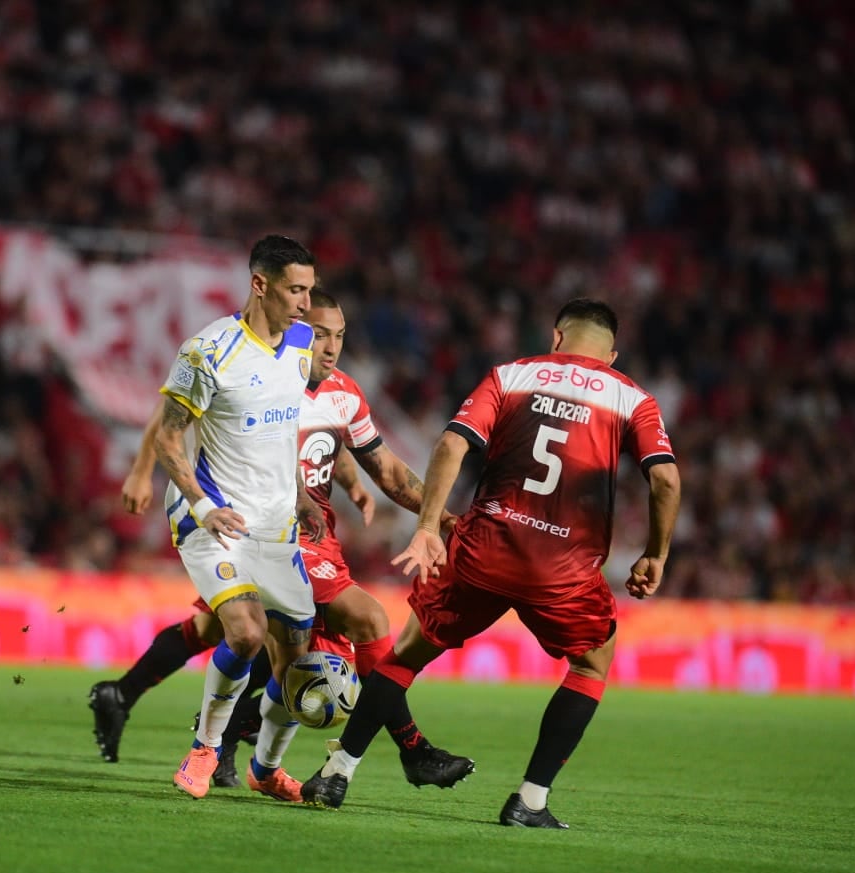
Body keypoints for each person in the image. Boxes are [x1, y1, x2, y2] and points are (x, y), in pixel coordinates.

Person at [301, 297, 682, 829]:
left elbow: (452, 444)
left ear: (556, 337)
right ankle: (529, 801)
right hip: (563, 570)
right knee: (592, 665)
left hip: (485, 550)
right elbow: (664, 479)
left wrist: (430, 527)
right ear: (612, 355)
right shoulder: (632, 399)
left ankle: (337, 772)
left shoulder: (510, 376)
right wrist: (656, 553)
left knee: (404, 657)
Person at [92, 291, 474, 792]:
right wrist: (143, 473)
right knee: (357, 624)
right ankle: (410, 747)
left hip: (301, 528)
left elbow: (377, 464)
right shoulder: (260, 370)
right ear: (294, 331)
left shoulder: (344, 393)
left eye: (339, 335)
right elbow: (171, 418)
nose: (330, 346)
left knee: (219, 631)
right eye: (318, 334)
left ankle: (136, 701)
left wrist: (427, 511)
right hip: (250, 523)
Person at [155, 234, 326, 802]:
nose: (306, 303)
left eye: (309, 289)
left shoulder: (301, 343)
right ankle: (204, 749)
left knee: (297, 661)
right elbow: (168, 436)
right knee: (248, 633)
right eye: (295, 290)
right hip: (215, 520)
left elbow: (281, 430)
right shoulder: (207, 351)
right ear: (260, 285)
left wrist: (300, 493)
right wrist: (202, 507)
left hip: (278, 525)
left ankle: (266, 768)